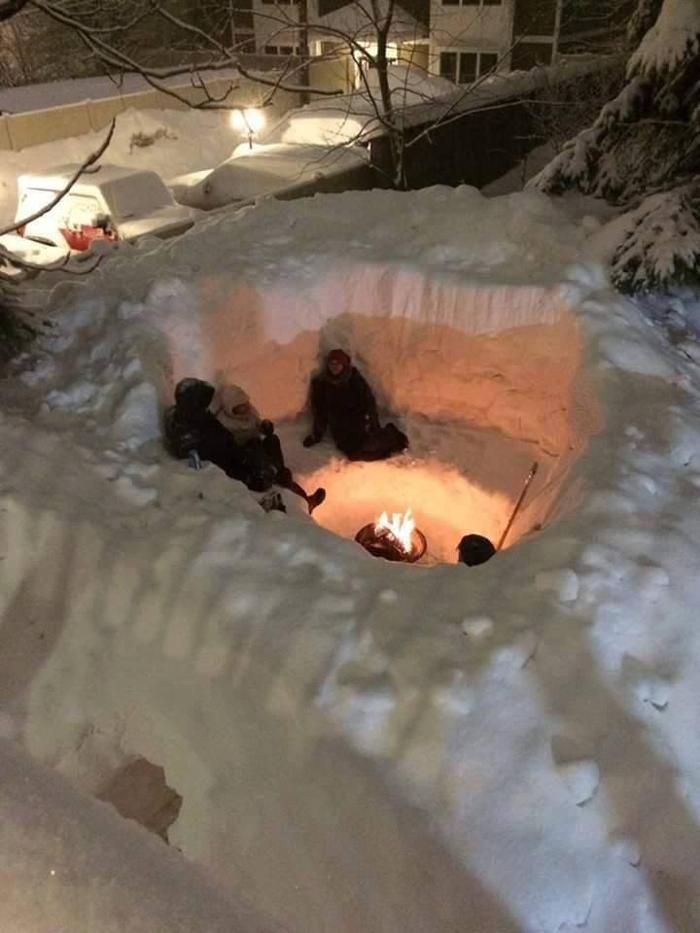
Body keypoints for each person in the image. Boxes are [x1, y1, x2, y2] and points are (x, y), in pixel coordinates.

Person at [165, 378, 325, 514]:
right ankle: (297, 501)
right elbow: (210, 459)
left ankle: (292, 487)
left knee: (271, 451)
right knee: (269, 474)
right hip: (234, 465)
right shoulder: (190, 431)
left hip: (238, 453)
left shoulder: (204, 419)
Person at [303, 349, 408, 461]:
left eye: (338, 364)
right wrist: (316, 436)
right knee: (354, 455)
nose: (334, 367)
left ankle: (391, 437)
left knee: (367, 446)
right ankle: (386, 448)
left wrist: (374, 424)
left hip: (358, 422)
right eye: (331, 363)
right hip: (340, 427)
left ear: (344, 365)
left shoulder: (353, 378)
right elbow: (320, 412)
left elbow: (368, 401)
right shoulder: (322, 384)